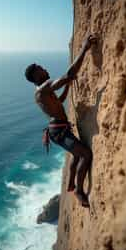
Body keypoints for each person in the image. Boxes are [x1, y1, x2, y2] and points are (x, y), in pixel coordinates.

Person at [24, 35, 96, 208]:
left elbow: (59, 102)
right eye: (41, 68)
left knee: (75, 154)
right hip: (59, 132)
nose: (45, 69)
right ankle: (79, 190)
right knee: (85, 155)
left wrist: (67, 87)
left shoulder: (40, 92)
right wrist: (84, 48)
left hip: (57, 130)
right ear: (36, 75)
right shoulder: (45, 87)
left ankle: (70, 183)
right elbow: (68, 74)